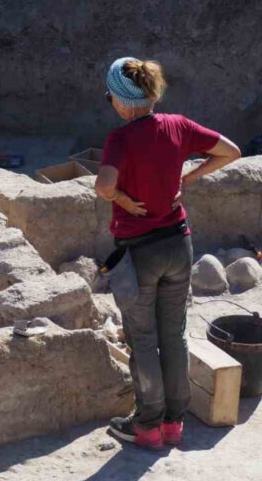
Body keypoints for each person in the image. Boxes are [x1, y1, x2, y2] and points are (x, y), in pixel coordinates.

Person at [95, 57, 241, 449]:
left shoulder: (120, 139)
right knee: (173, 335)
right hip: (179, 242)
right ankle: (174, 424)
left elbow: (103, 186)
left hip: (139, 252)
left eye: (110, 96)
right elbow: (231, 151)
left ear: (123, 103)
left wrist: (122, 198)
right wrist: (187, 177)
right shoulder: (178, 125)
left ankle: (146, 426)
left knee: (143, 339)